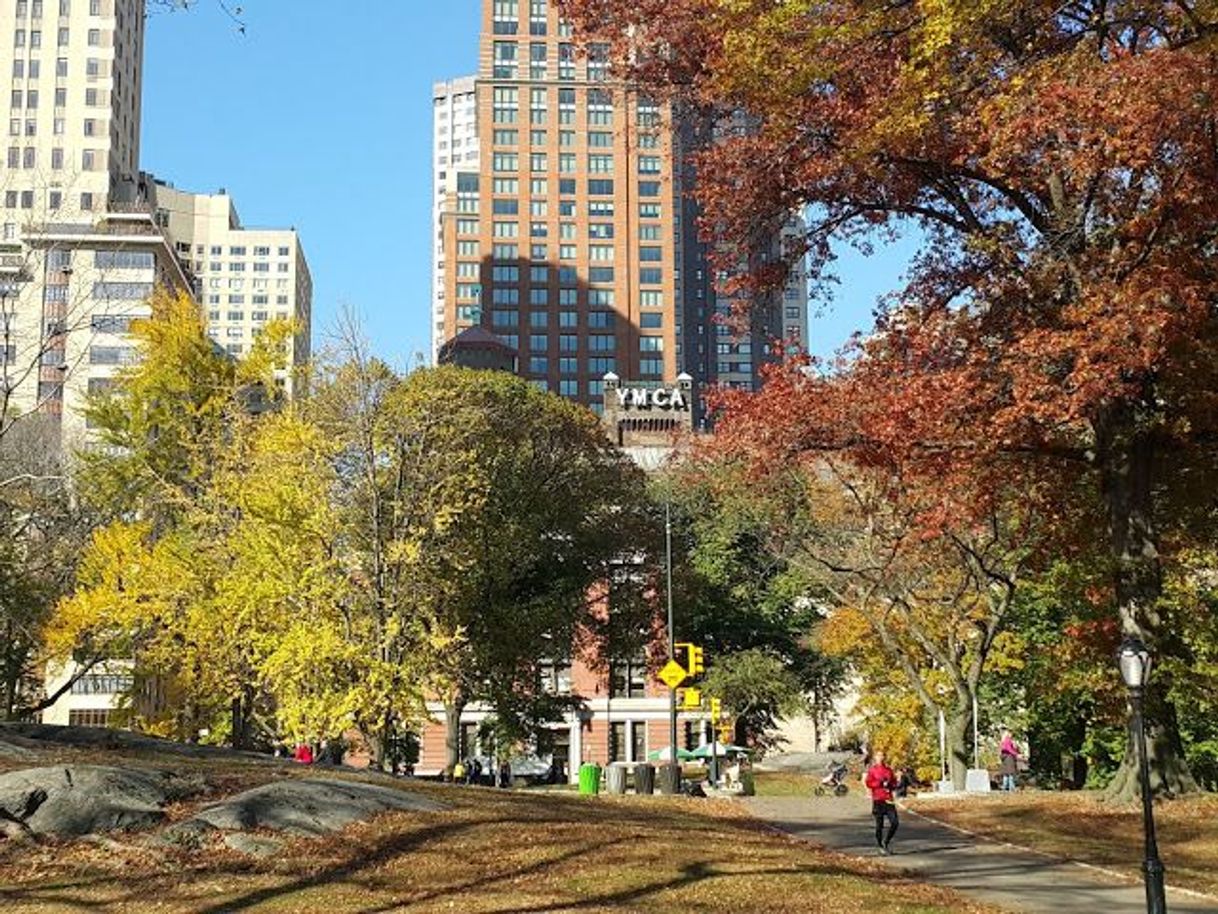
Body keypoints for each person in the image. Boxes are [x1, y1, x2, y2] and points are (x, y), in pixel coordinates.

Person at [865, 750, 899, 855]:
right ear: (875, 758)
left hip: (888, 799)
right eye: (879, 755)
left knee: (895, 822)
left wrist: (892, 784)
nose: (881, 757)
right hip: (878, 800)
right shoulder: (872, 770)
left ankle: (886, 842)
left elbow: (894, 783)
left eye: (883, 755)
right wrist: (879, 783)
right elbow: (868, 783)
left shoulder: (888, 770)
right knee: (879, 825)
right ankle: (880, 846)